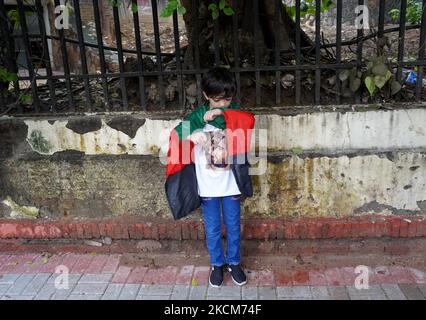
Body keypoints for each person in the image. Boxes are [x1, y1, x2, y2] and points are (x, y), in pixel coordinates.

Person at [165, 67, 255, 287]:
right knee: (213, 228)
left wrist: (222, 114)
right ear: (205, 95)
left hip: (231, 185)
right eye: (217, 100)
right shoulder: (196, 117)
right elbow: (176, 135)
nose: (222, 103)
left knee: (233, 226)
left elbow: (248, 120)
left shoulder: (235, 115)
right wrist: (194, 132)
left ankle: (234, 262)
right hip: (207, 187)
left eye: (227, 99)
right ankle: (217, 264)